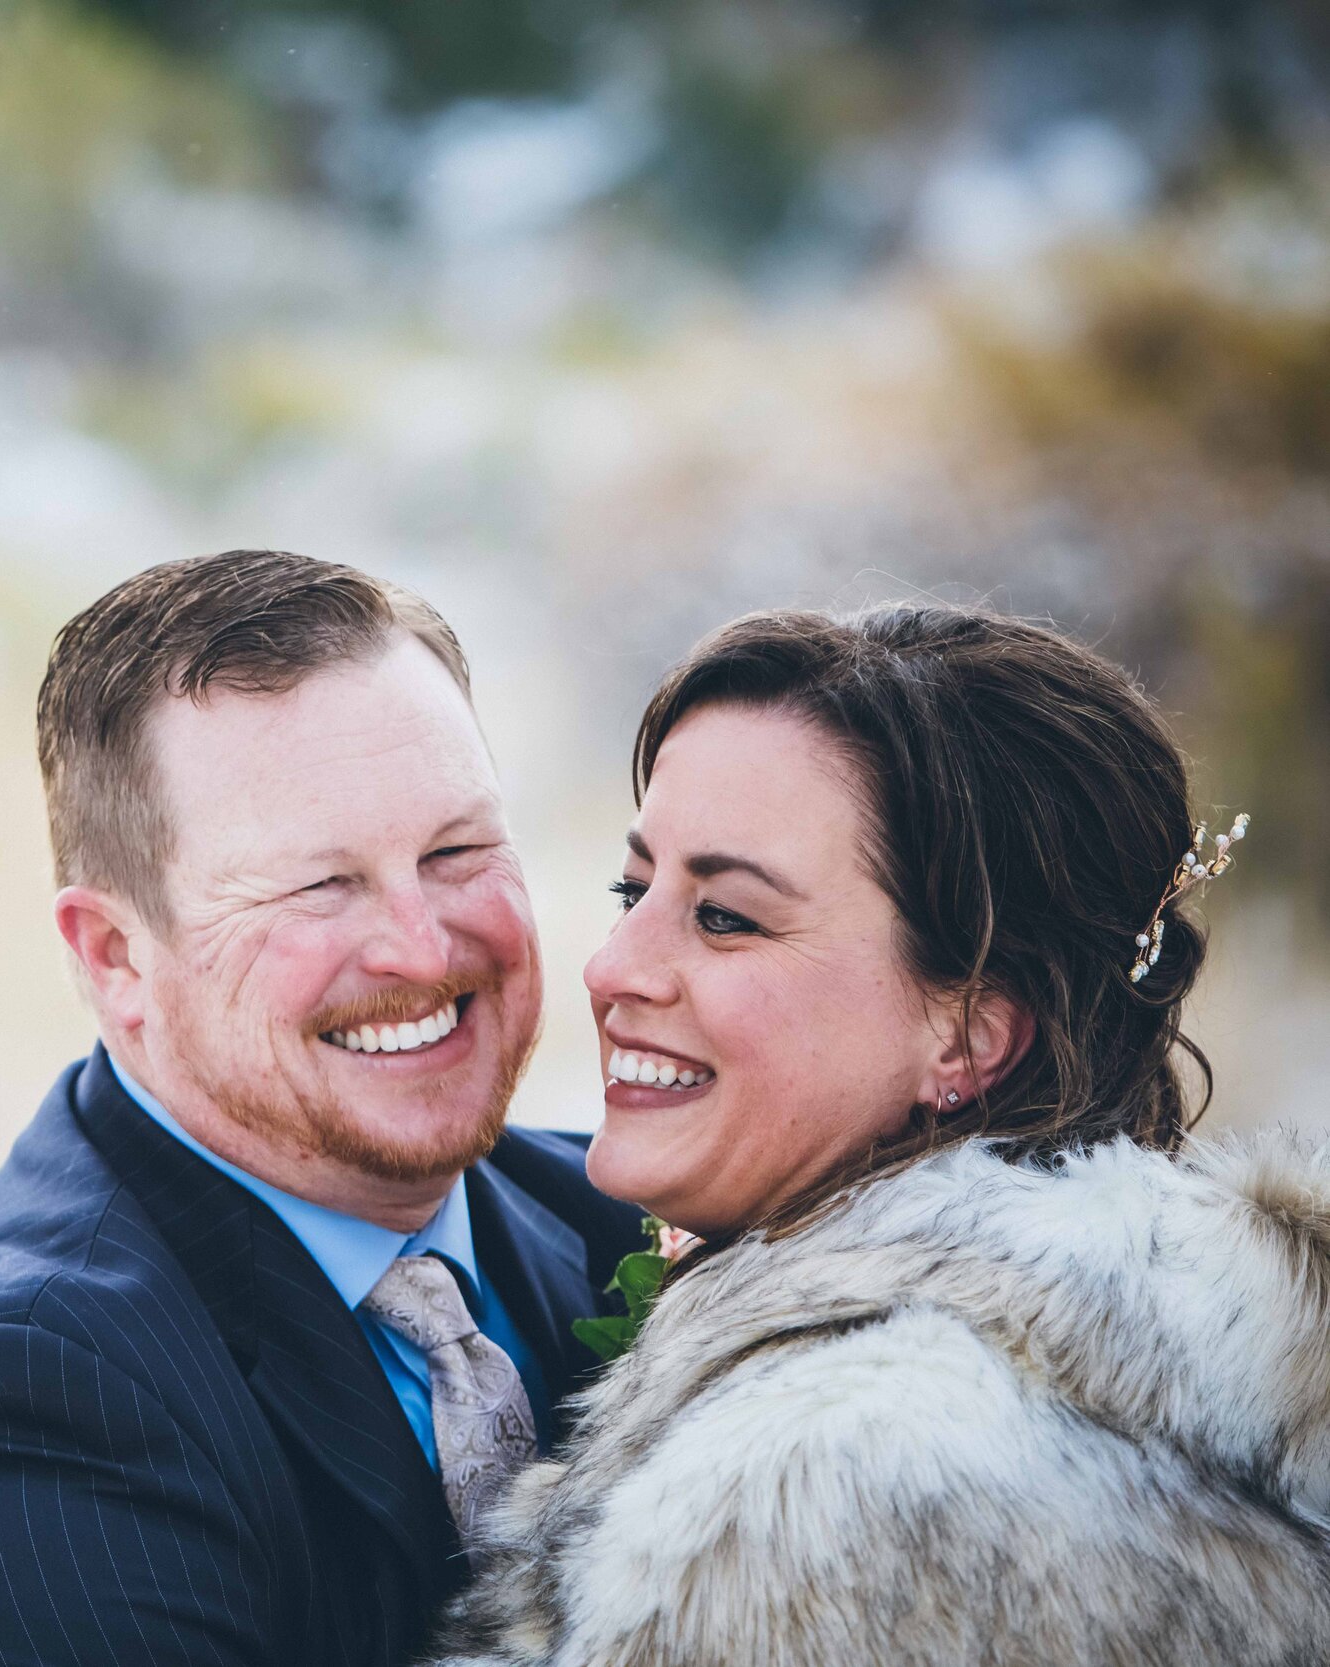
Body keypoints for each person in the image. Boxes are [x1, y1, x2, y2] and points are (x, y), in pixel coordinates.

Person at [0, 550, 648, 1667]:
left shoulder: (631, 1222)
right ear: (117, 955)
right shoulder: (18, 1414)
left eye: (456, 849)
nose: (423, 946)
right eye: (316, 885)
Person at [428, 606, 1330, 1667]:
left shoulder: (820, 1494)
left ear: (969, 1034)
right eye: (634, 889)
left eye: (724, 915)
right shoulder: (1157, 1380)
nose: (613, 965)